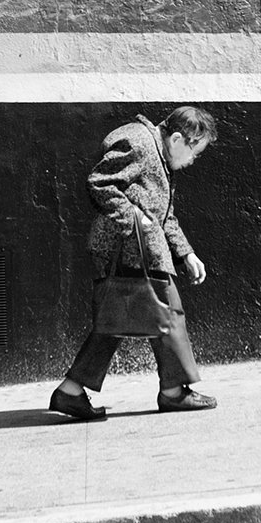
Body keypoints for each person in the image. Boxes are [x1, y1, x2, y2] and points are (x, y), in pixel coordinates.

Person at [51, 106, 217, 419]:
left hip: (138, 249)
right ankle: (173, 392)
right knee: (168, 314)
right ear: (179, 139)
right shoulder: (139, 144)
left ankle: (70, 392)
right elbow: (100, 182)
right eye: (195, 152)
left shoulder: (159, 153)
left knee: (115, 320)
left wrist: (186, 253)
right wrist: (134, 218)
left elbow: (163, 214)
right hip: (127, 248)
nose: (193, 160)